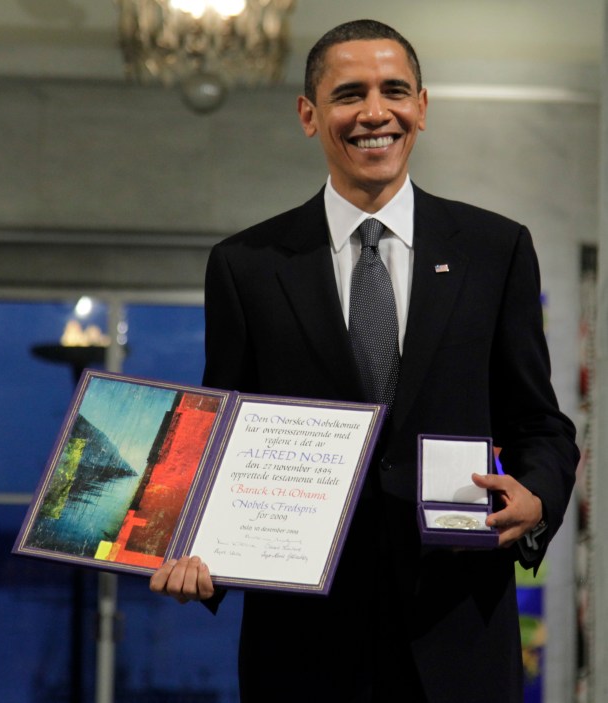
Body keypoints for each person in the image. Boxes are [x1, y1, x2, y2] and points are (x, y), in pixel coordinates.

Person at [150, 18, 579, 703]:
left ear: (422, 108)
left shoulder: (495, 250)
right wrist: (193, 547)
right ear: (308, 114)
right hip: (300, 644)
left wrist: (538, 495)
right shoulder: (247, 267)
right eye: (350, 94)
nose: (375, 113)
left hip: (459, 633)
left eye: (395, 91)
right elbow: (220, 437)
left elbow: (541, 424)